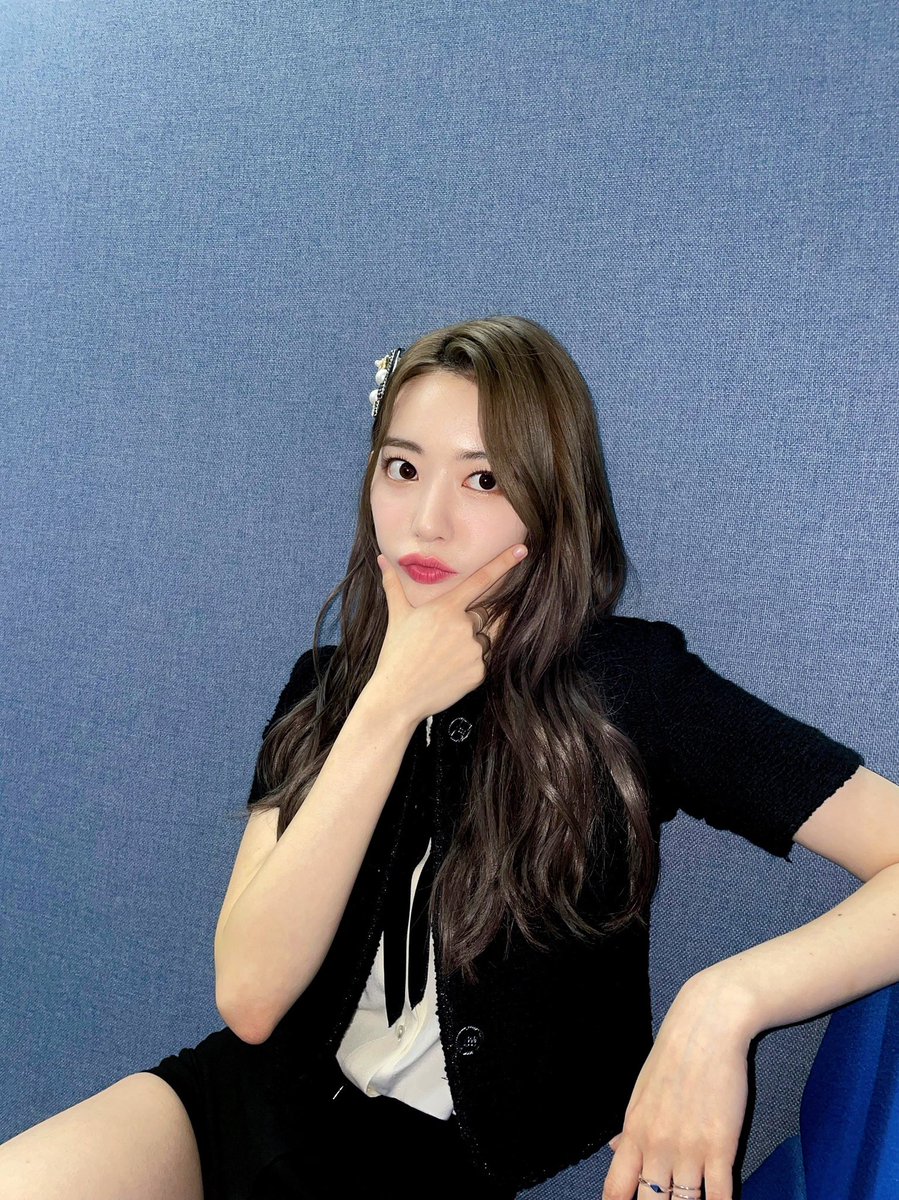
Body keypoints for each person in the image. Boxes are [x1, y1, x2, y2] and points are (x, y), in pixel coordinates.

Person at [2, 316, 897, 1200]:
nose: (426, 521)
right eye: (402, 468)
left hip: (452, 1167)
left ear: (551, 500)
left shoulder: (629, 686)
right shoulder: (325, 688)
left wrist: (724, 1003)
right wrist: (387, 702)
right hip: (237, 1108)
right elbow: (250, 998)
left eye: (483, 478)